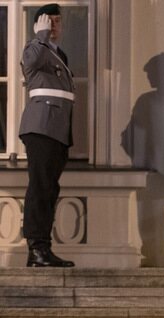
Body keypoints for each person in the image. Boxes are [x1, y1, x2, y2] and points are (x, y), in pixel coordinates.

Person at [19, 3, 75, 267]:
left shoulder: (58, 53)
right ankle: (36, 249)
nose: (53, 26)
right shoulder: (35, 48)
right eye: (48, 21)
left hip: (56, 129)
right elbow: (29, 62)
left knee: (49, 189)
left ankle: (44, 247)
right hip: (41, 127)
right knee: (40, 187)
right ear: (38, 25)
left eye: (57, 21)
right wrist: (39, 36)